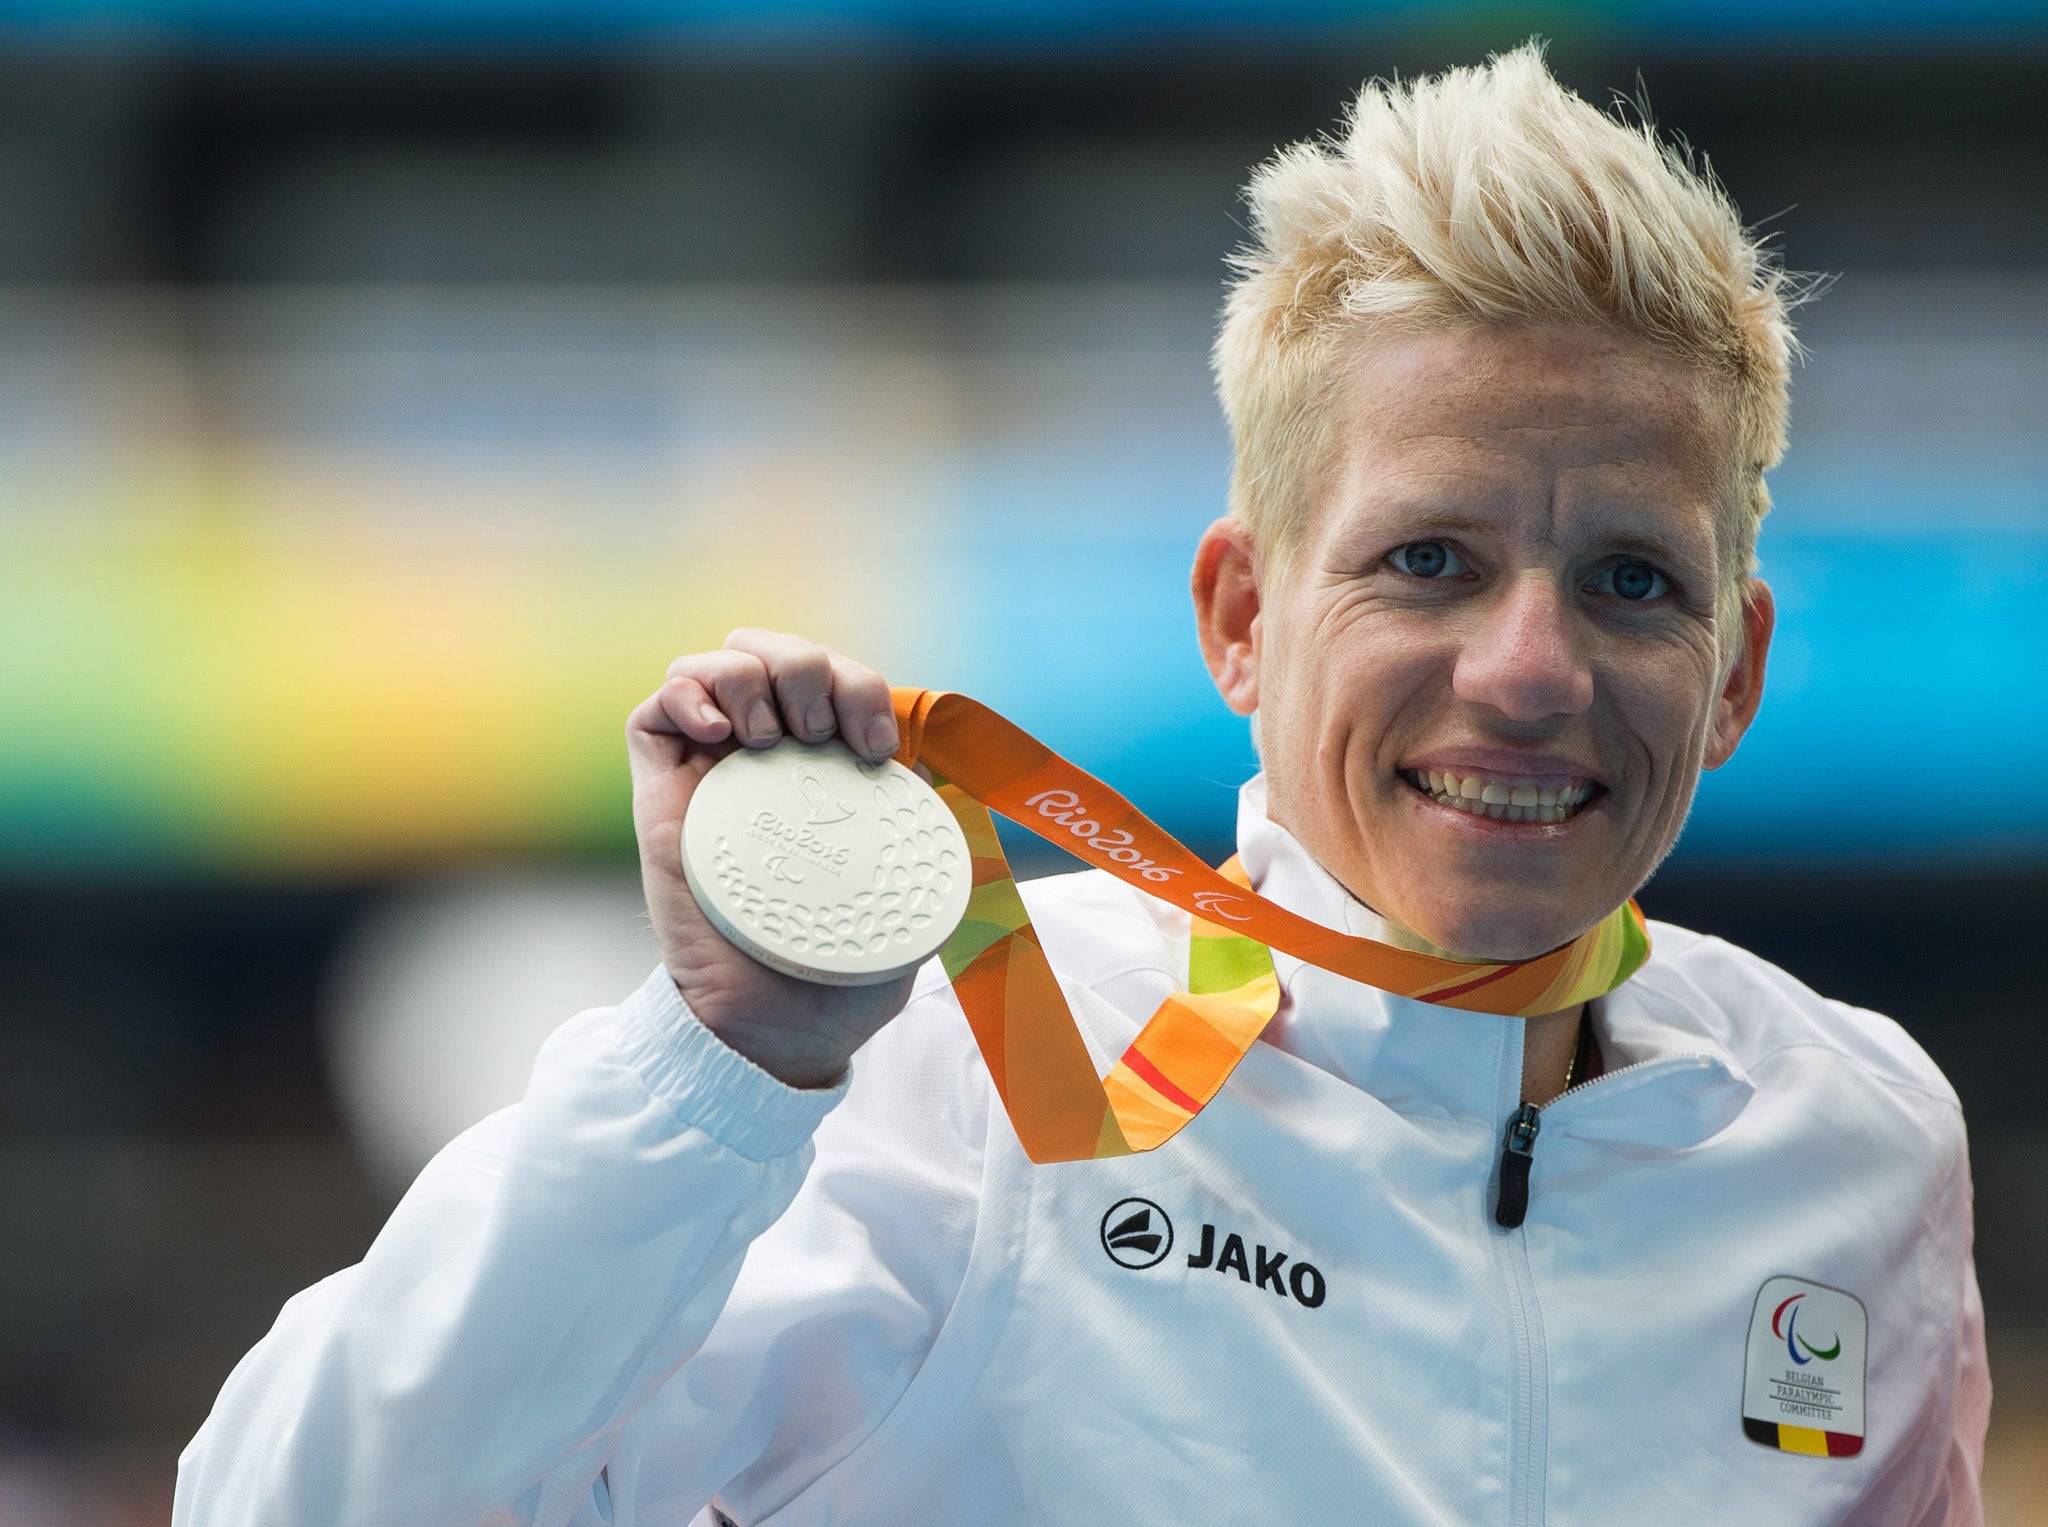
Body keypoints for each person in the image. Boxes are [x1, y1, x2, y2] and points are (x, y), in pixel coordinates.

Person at [173, 44, 1988, 1525]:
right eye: (1428, 561)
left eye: (1631, 581)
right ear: (1243, 619)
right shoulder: (963, 1066)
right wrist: (718, 1075)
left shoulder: (1852, 1145)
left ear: (1734, 669)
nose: (1528, 669)